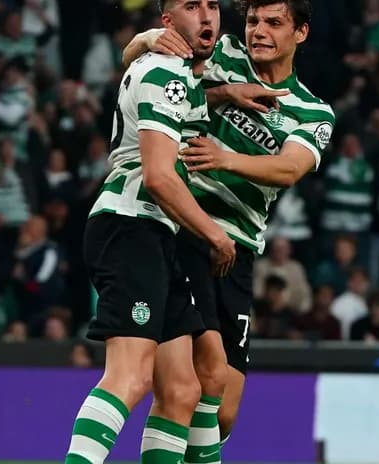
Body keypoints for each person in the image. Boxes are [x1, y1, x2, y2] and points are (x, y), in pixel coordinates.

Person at [122, 0, 334, 459]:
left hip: (237, 249)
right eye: (254, 21)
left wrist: (226, 158)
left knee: (223, 411)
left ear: (300, 33)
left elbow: (289, 168)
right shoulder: (219, 54)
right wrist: (147, 41)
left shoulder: (312, 111)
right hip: (183, 228)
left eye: (274, 23)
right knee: (193, 384)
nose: (259, 31)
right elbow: (140, 65)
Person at [63, 2, 234, 464]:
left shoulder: (169, 68)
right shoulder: (166, 73)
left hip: (156, 232)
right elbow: (159, 177)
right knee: (130, 377)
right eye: (191, 6)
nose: (207, 16)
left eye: (212, 5)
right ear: (167, 21)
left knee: (183, 388)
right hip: (130, 224)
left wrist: (226, 92)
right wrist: (215, 234)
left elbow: (140, 62)